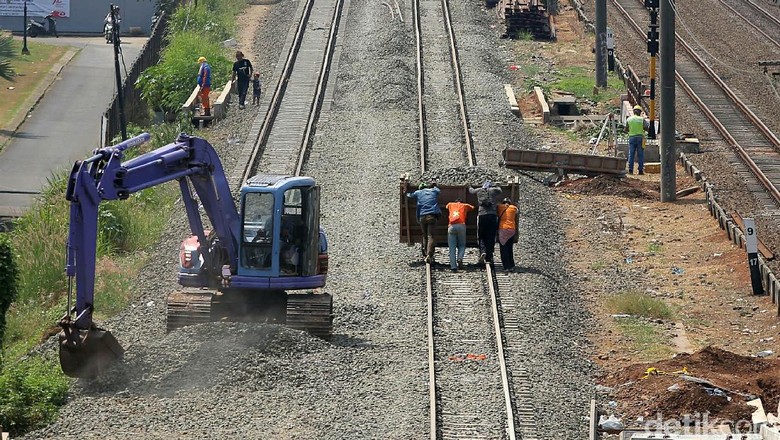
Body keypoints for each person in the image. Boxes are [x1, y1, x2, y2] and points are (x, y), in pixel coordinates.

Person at [406, 182, 441, 263]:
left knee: (425, 236)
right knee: (430, 236)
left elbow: (409, 195)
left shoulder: (418, 192)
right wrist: (434, 185)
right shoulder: (433, 191)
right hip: (432, 216)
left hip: (422, 216)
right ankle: (429, 254)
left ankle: (426, 254)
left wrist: (405, 190)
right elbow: (438, 190)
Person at [469, 180, 502, 264]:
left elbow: (471, 191)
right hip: (492, 216)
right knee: (491, 236)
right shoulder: (493, 190)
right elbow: (500, 190)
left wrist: (469, 185)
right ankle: (489, 257)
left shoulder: (479, 190)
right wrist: (497, 185)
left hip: (482, 215)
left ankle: (483, 250)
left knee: (481, 236)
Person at [444, 198, 474, 272]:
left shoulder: (450, 204)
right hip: (461, 226)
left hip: (451, 226)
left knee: (452, 248)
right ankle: (460, 257)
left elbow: (446, 206)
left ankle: (453, 267)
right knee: (462, 245)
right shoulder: (464, 205)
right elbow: (472, 207)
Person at [496, 198, 519, 271]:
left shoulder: (500, 207)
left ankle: (506, 266)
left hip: (503, 229)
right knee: (509, 248)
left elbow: (495, 205)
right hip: (512, 229)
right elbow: (517, 212)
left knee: (503, 248)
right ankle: (512, 265)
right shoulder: (514, 208)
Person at [625, 105, 648, 175]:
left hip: (632, 138)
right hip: (640, 138)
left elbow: (626, 129)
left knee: (631, 154)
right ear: (640, 112)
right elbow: (646, 128)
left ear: (634, 111)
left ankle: (630, 170)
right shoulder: (642, 119)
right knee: (640, 154)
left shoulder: (629, 119)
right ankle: (640, 170)